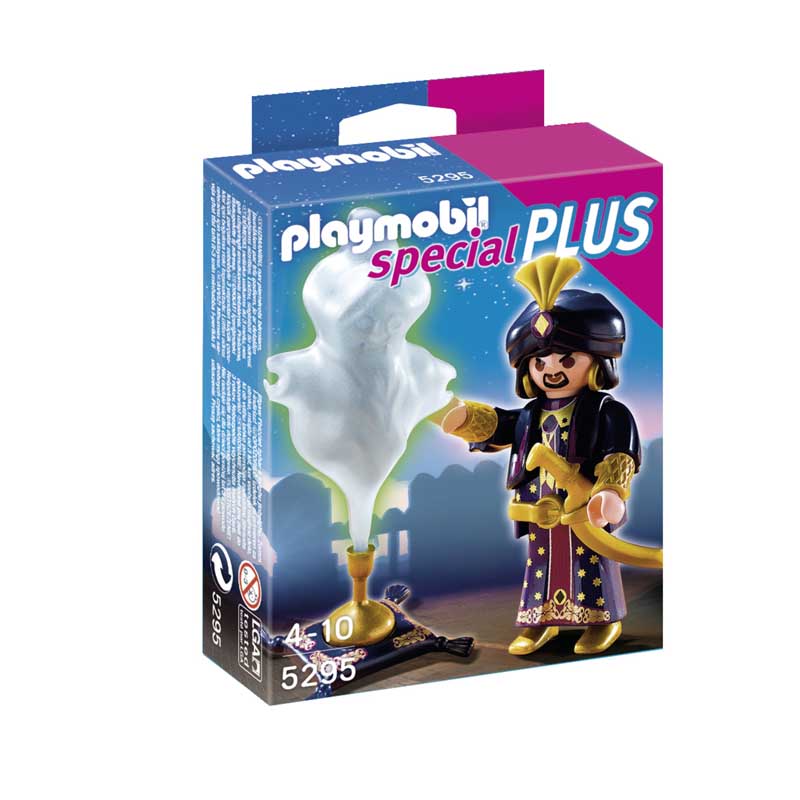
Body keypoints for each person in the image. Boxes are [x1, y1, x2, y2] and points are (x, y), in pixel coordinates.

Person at [442, 255, 641, 655]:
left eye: (566, 360)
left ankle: (601, 620)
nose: (552, 370)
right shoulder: (531, 415)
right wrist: (465, 417)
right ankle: (540, 622)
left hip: (582, 508)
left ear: (597, 362)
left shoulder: (607, 411)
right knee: (541, 567)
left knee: (591, 563)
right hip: (540, 512)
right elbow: (501, 425)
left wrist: (610, 492)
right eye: (540, 361)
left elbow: (619, 455)